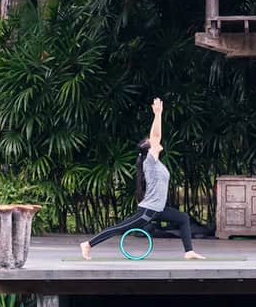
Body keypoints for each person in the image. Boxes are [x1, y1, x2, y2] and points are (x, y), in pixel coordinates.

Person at [81, 98, 205, 261]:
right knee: (118, 228)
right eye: (152, 143)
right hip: (148, 211)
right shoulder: (150, 162)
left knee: (183, 218)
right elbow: (156, 136)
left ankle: (188, 251)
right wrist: (158, 114)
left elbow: (154, 139)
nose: (156, 143)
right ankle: (88, 244)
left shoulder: (156, 163)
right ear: (149, 149)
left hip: (157, 210)